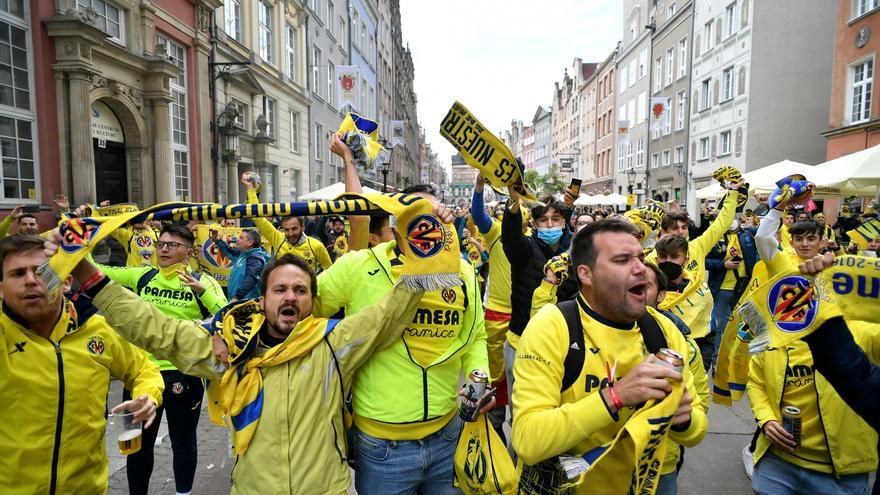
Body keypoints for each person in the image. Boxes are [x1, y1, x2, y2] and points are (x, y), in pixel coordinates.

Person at [44, 229, 432, 495]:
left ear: (313, 303)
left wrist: (425, 243)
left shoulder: (333, 343)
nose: (290, 297)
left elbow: (387, 315)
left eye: (300, 290)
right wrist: (86, 273)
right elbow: (158, 330)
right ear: (262, 301)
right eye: (280, 289)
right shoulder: (230, 347)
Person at [313, 184, 491, 495]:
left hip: (448, 437)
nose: (429, 222)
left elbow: (475, 334)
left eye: (436, 213)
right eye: (418, 214)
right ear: (396, 223)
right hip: (382, 449)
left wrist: (479, 377)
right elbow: (304, 308)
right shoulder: (358, 266)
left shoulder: (461, 270)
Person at [512, 219, 707, 494]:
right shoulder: (552, 326)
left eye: (641, 258)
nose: (641, 268)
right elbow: (528, 440)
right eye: (622, 260)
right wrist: (616, 396)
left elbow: (696, 429)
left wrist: (683, 421)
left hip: (648, 481)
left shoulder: (662, 329)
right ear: (586, 274)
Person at [0, 235, 163, 494]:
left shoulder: (97, 329)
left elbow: (144, 369)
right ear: (1, 288)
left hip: (86, 487)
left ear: (66, 281)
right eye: (18, 273)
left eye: (41, 271)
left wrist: (147, 396)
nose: (30, 280)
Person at [95, 224, 227, 495]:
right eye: (161, 244)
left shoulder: (204, 281)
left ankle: (183, 493)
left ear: (188, 252)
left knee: (183, 442)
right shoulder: (143, 275)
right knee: (138, 445)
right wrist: (81, 238)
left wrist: (202, 292)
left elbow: (227, 317)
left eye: (172, 245)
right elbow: (97, 272)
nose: (164, 249)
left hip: (184, 375)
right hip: (142, 375)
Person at [746, 312, 877, 494]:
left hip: (841, 477)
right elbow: (756, 383)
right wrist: (767, 420)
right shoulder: (773, 335)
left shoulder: (861, 331)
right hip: (777, 464)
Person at [501, 184, 579, 407]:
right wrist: (513, 204)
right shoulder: (524, 250)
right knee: (522, 413)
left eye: (555, 219)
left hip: (563, 344)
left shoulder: (575, 253)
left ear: (563, 222)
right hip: (521, 342)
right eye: (544, 220)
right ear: (534, 224)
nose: (550, 224)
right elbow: (510, 237)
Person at [651, 179, 743, 367]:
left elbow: (722, 223)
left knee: (699, 382)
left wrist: (732, 192)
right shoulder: (654, 258)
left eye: (684, 227)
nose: (680, 232)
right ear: (663, 231)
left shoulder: (697, 246)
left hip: (702, 335)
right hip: (673, 334)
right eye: (674, 228)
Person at [470, 174, 524, 443]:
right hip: (496, 314)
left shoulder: (533, 236)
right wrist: (479, 186)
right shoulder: (496, 231)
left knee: (524, 378)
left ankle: (523, 433)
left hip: (525, 318)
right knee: (495, 377)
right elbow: (478, 215)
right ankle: (494, 435)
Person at [244, 175, 333, 273]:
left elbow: (329, 271)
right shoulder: (278, 238)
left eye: (294, 228)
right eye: (286, 229)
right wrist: (251, 189)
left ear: (303, 227)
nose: (290, 233)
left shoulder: (316, 245)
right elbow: (258, 218)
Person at [706, 217, 757, 367]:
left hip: (743, 289)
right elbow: (705, 261)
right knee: (720, 328)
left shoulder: (746, 235)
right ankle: (718, 363)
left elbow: (766, 232)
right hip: (721, 290)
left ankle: (740, 363)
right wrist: (723, 264)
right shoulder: (714, 237)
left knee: (744, 327)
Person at [212, 228, 270, 302]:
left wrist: (237, 297)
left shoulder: (255, 258)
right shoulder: (242, 254)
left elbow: (251, 278)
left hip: (246, 304)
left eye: (241, 238)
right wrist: (216, 240)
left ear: (250, 242)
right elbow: (228, 250)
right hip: (237, 301)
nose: (237, 239)